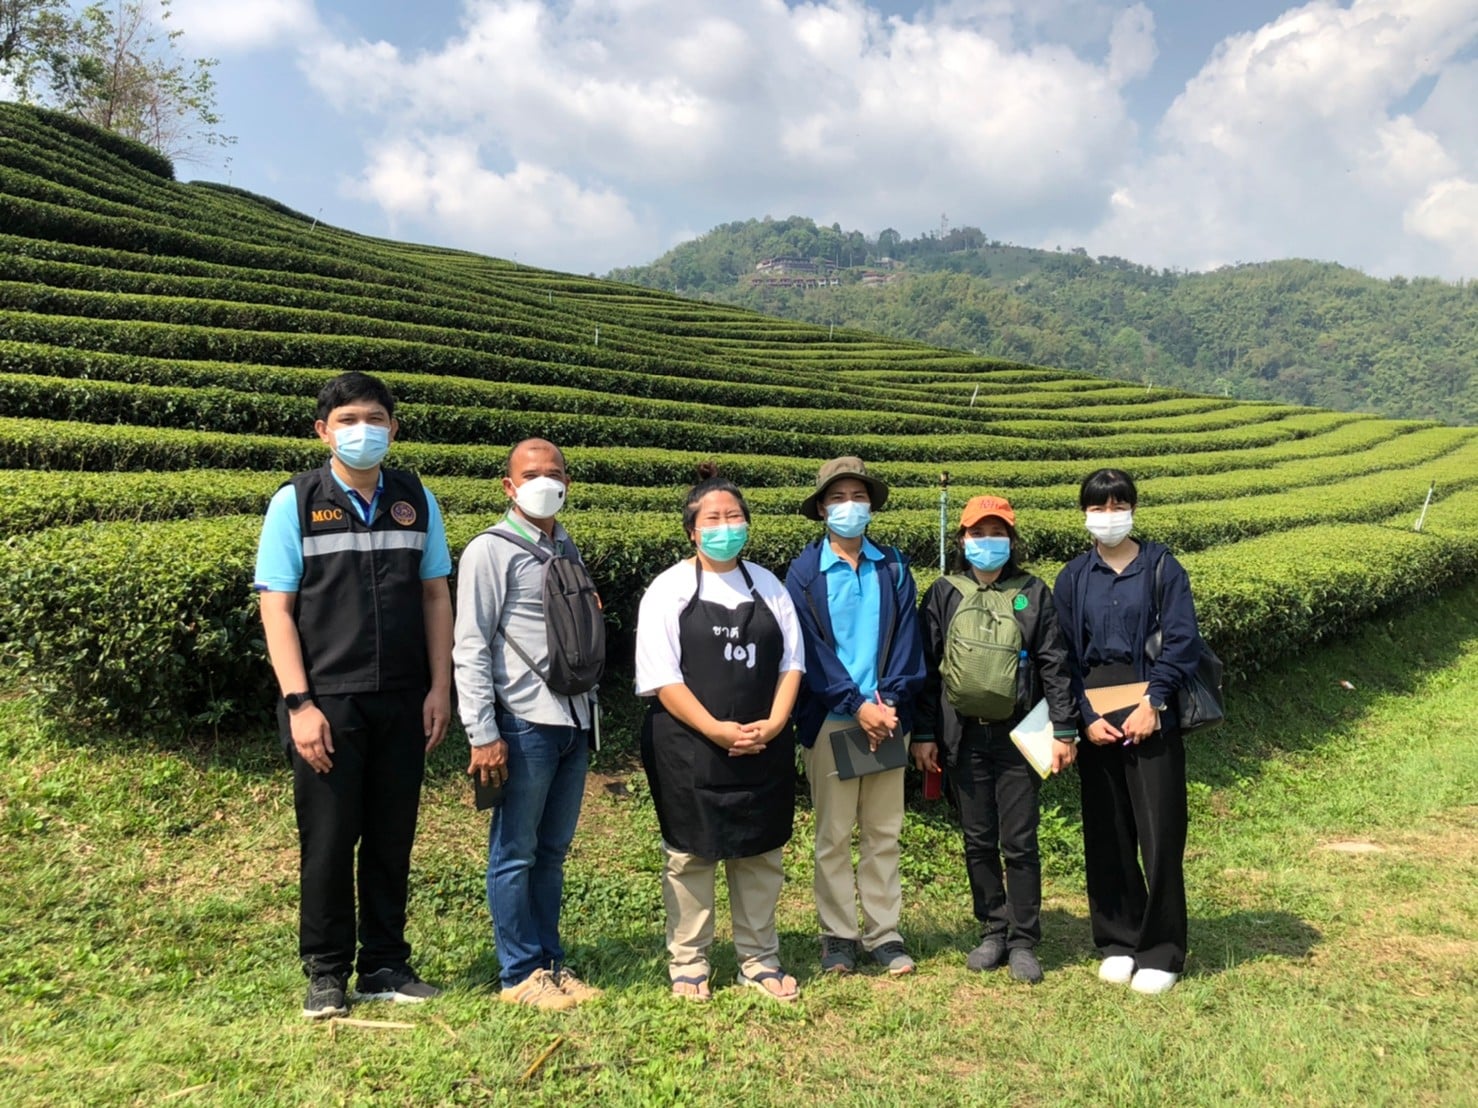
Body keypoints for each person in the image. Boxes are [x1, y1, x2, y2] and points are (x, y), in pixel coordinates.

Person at [254, 371, 454, 1020]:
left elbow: (434, 597)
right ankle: (328, 970)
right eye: (347, 420)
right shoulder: (295, 501)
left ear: (394, 428)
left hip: (403, 696)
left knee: (392, 838)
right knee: (331, 841)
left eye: (374, 418)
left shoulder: (416, 499)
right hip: (328, 703)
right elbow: (277, 609)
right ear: (323, 431)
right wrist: (299, 704)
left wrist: (439, 688)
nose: (361, 430)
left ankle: (386, 965)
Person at [634, 464, 806, 1003]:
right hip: (689, 745)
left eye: (734, 516)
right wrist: (714, 727)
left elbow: (792, 664)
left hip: (763, 741)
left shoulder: (769, 585)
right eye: (713, 517)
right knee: (691, 854)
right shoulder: (670, 588)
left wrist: (775, 723)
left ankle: (759, 958)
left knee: (760, 853)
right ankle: (689, 961)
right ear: (692, 530)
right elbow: (662, 677)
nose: (724, 525)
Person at [454, 438, 603, 1011]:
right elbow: (471, 647)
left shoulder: (565, 545)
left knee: (553, 852)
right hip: (522, 724)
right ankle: (519, 973)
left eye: (555, 472)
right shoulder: (489, 551)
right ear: (509, 486)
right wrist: (483, 733)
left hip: (572, 722)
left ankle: (550, 963)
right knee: (515, 851)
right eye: (532, 473)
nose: (546, 480)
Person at [913, 496, 1079, 984]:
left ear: (1012, 538)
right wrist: (924, 733)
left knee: (1020, 840)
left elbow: (1054, 662)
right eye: (978, 533)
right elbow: (927, 670)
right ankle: (993, 929)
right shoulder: (943, 592)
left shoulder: (1032, 591)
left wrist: (1065, 729)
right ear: (962, 540)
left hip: (1019, 737)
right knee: (978, 838)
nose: (988, 542)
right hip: (962, 735)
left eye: (998, 532)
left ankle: (1025, 939)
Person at [1052, 469, 1202, 995]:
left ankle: (1162, 948)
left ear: (1133, 508)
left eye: (1119, 504)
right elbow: (1062, 655)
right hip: (1096, 713)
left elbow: (1183, 641)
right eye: (1099, 506)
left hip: (1150, 712)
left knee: (1161, 832)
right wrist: (1082, 718)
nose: (1109, 515)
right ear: (1084, 514)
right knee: (1108, 831)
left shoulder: (1162, 567)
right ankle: (1118, 938)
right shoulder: (1073, 577)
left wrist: (1154, 701)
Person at [784, 457, 926, 976]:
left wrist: (886, 702)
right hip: (832, 719)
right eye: (838, 497)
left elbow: (908, 641)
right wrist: (855, 703)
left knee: (884, 829)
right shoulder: (804, 574)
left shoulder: (893, 566)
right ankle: (839, 935)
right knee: (834, 834)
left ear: (871, 505)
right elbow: (810, 652)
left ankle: (885, 934)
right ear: (822, 508)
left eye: (858, 496)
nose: (850, 506)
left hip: (887, 717)